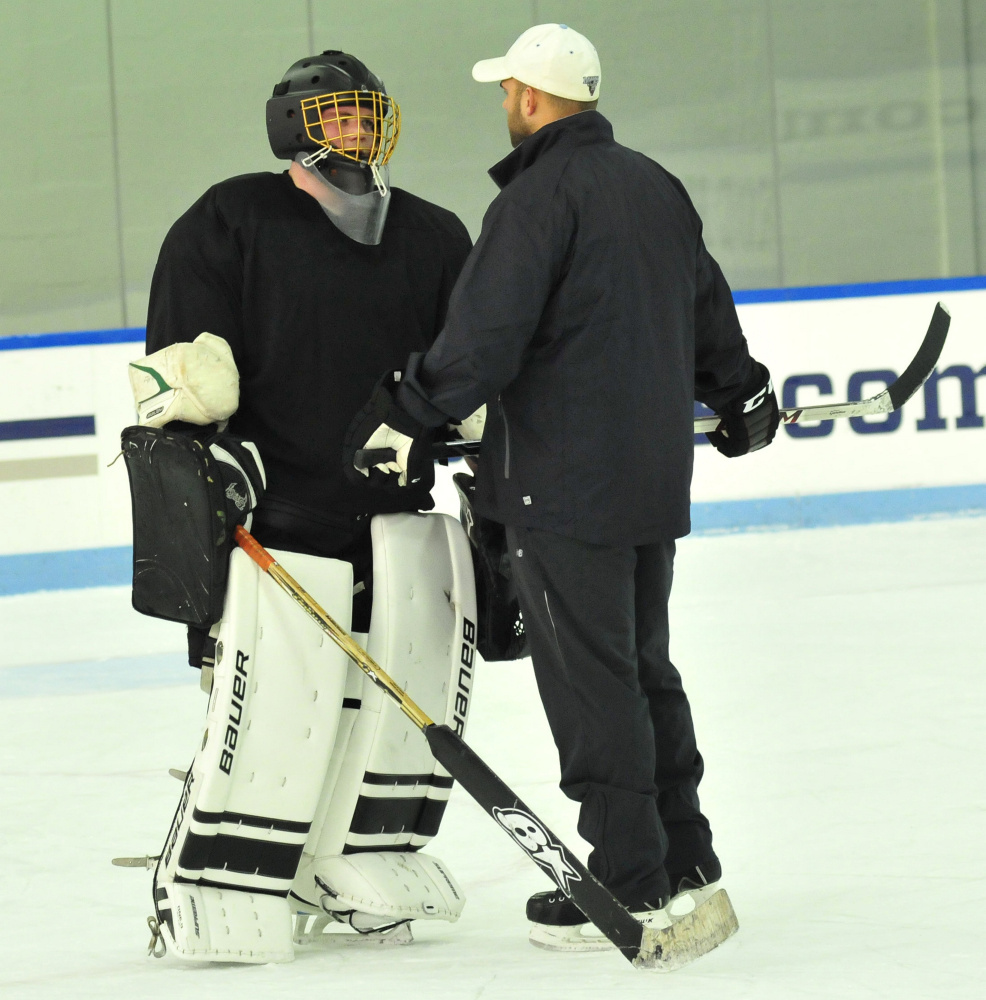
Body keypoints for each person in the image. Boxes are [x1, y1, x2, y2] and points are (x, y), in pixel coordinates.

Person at [347, 23, 779, 966]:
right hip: (651, 481)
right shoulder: (652, 185)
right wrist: (742, 390)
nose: (504, 105)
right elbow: (704, 305)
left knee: (593, 682)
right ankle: (686, 857)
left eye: (507, 91)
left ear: (532, 100)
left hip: (561, 490)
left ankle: (627, 881)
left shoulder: (537, 199)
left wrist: (404, 414)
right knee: (643, 667)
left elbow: (485, 337)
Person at [132, 49, 476, 963]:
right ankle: (212, 874)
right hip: (279, 517)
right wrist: (202, 469)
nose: (358, 132)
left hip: (398, 517)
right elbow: (182, 369)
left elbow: (476, 363)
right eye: (338, 117)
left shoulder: (437, 236)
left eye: (367, 116)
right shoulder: (232, 218)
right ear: (294, 126)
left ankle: (355, 855)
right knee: (282, 702)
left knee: (397, 701)